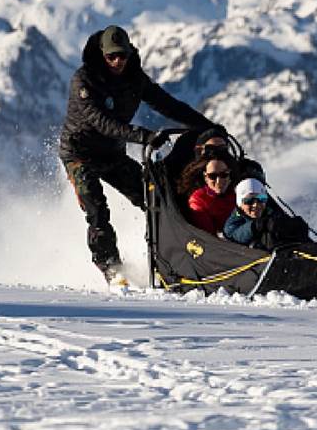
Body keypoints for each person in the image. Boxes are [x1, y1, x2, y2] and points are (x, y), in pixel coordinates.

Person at [58, 24, 214, 283]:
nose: (118, 61)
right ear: (102, 55)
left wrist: (206, 126)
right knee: (96, 209)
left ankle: (186, 253)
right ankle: (112, 269)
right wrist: (145, 136)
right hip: (79, 155)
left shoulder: (134, 78)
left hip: (112, 155)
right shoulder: (84, 80)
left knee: (156, 200)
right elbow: (101, 122)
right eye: (112, 57)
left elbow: (167, 104)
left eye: (123, 55)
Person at [223, 178, 310, 251]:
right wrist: (255, 226)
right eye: (249, 201)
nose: (256, 205)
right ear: (240, 204)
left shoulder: (271, 211)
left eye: (261, 199)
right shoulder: (236, 218)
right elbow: (233, 234)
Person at [185, 149, 237, 235]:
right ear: (205, 177)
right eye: (212, 176)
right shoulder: (199, 200)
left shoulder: (239, 195)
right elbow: (208, 236)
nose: (218, 181)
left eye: (224, 175)